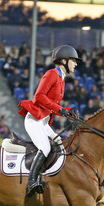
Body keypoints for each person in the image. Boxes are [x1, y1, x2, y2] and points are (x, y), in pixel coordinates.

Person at [17, 45, 80, 196]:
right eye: (73, 61)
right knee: (45, 148)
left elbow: (53, 106)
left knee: (60, 145)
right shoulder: (51, 74)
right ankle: (31, 182)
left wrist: (69, 112)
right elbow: (39, 97)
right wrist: (61, 110)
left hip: (43, 122)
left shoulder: (61, 79)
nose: (76, 64)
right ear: (64, 60)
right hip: (34, 120)